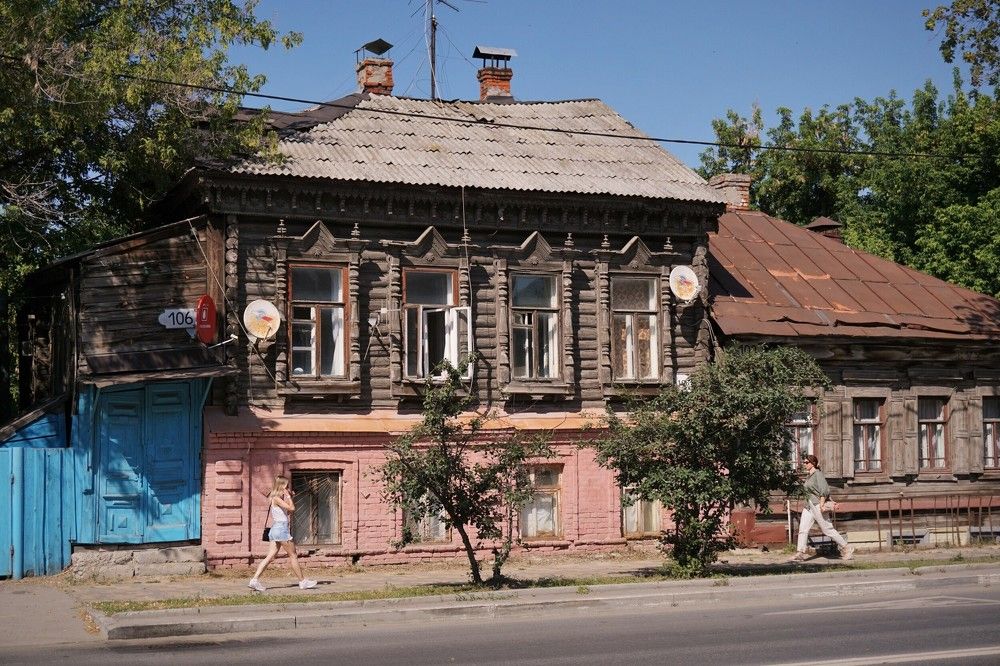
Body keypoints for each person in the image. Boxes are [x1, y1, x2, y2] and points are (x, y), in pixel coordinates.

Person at [248, 475, 318, 591]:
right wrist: (289, 497)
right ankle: (303, 582)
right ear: (283, 486)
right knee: (293, 555)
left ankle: (254, 580)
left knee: (270, 557)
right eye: (287, 486)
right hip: (281, 530)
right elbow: (292, 509)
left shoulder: (275, 498)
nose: (289, 488)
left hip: (276, 529)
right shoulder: (276, 498)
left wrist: (289, 497)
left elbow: (287, 513)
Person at [790, 454, 854, 562]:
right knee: (803, 529)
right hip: (808, 505)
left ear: (813, 463)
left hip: (817, 505)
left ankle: (847, 548)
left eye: (806, 462)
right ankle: (800, 553)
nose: (805, 464)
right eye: (804, 462)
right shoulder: (809, 476)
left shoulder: (818, 474)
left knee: (827, 529)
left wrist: (822, 505)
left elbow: (824, 490)